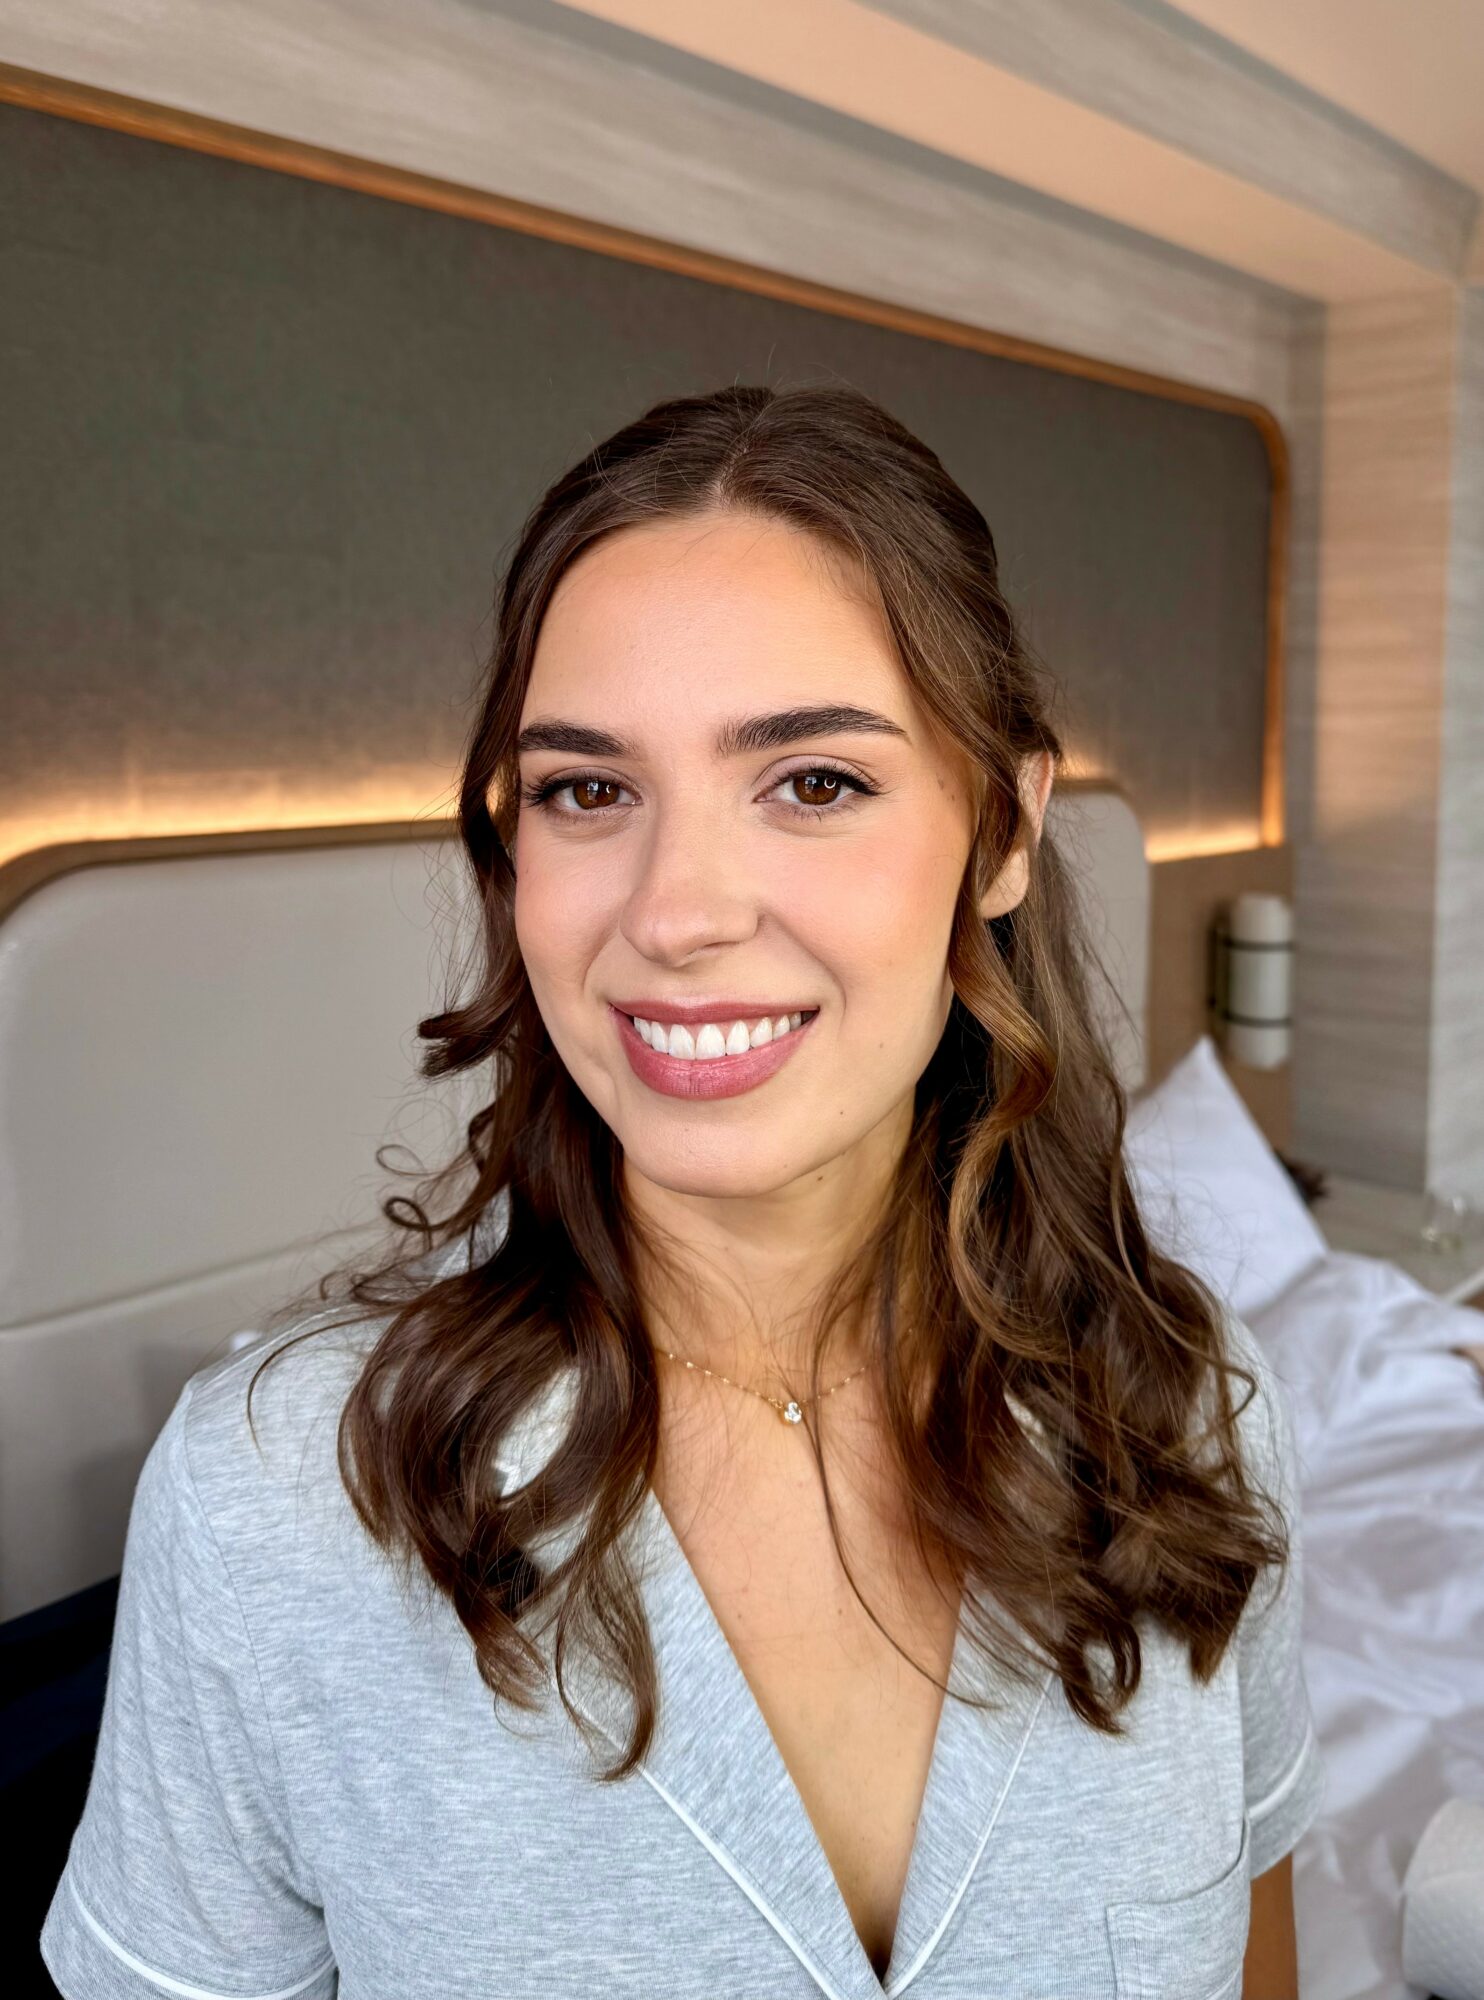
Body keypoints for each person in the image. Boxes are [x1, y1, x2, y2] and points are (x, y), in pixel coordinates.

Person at [41, 382, 1323, 2000]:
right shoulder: (278, 1506)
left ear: (1003, 828)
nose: (677, 912)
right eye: (589, 790)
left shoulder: (1189, 1414)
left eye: (812, 783)